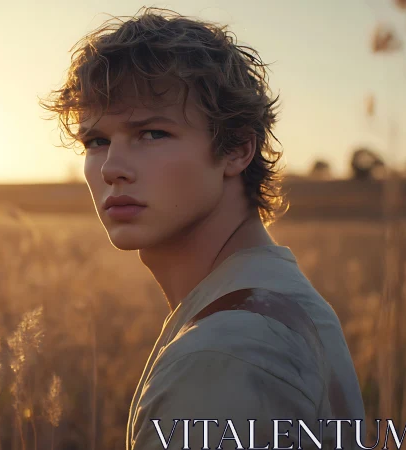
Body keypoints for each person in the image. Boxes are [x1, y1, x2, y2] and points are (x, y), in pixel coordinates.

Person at [39, 7, 366, 450]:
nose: (112, 168)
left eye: (152, 134)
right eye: (97, 141)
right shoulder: (272, 300)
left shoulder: (226, 351)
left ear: (237, 149)